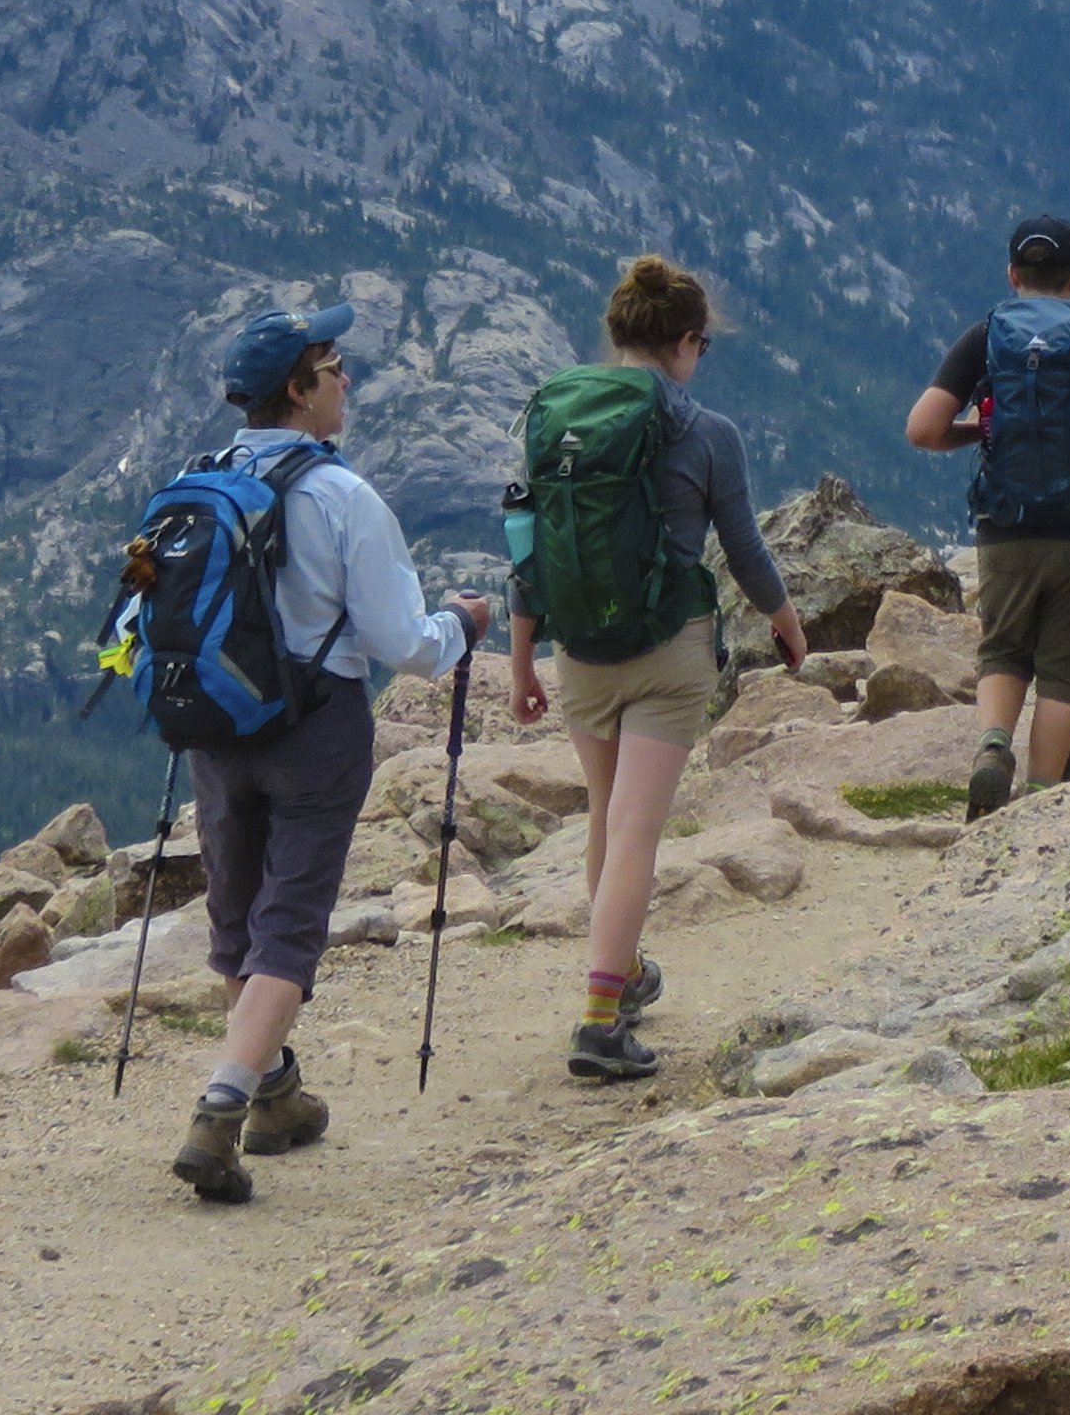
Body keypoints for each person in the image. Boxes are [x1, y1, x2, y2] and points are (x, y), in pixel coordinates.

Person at [172, 302, 488, 1207]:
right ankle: (220, 1107)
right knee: (293, 924)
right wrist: (463, 625)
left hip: (217, 728)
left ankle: (275, 1096)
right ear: (299, 391)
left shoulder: (196, 479)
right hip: (318, 728)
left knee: (237, 917)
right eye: (334, 366)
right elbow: (404, 644)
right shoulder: (344, 496)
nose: (348, 378)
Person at [503, 256, 807, 1084]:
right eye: (701, 344)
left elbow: (529, 551)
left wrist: (521, 658)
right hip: (669, 645)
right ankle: (600, 1020)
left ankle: (625, 975)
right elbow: (742, 547)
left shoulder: (556, 421)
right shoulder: (706, 433)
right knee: (637, 830)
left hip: (580, 651)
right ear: (682, 341)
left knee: (607, 819)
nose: (700, 357)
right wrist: (785, 621)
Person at [908, 213, 1070, 815]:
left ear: (1012, 275)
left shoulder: (985, 336)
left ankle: (994, 744)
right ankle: (1041, 801)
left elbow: (922, 429)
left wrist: (980, 432)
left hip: (1004, 524)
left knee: (1003, 649)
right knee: (1067, 670)